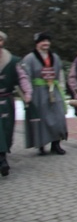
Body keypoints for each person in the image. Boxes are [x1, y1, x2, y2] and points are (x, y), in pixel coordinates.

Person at [20, 32, 68, 155]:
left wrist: (61, 87)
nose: (46, 43)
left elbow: (60, 72)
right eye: (43, 41)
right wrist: (28, 93)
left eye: (47, 41)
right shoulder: (29, 58)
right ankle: (41, 145)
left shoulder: (55, 57)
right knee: (41, 118)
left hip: (53, 89)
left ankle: (56, 144)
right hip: (38, 92)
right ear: (37, 44)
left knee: (58, 116)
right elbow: (25, 76)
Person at [0, 31, 33, 176]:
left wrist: (27, 93)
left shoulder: (13, 61)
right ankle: (2, 160)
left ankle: (3, 155)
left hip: (7, 99)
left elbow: (23, 77)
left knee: (7, 130)